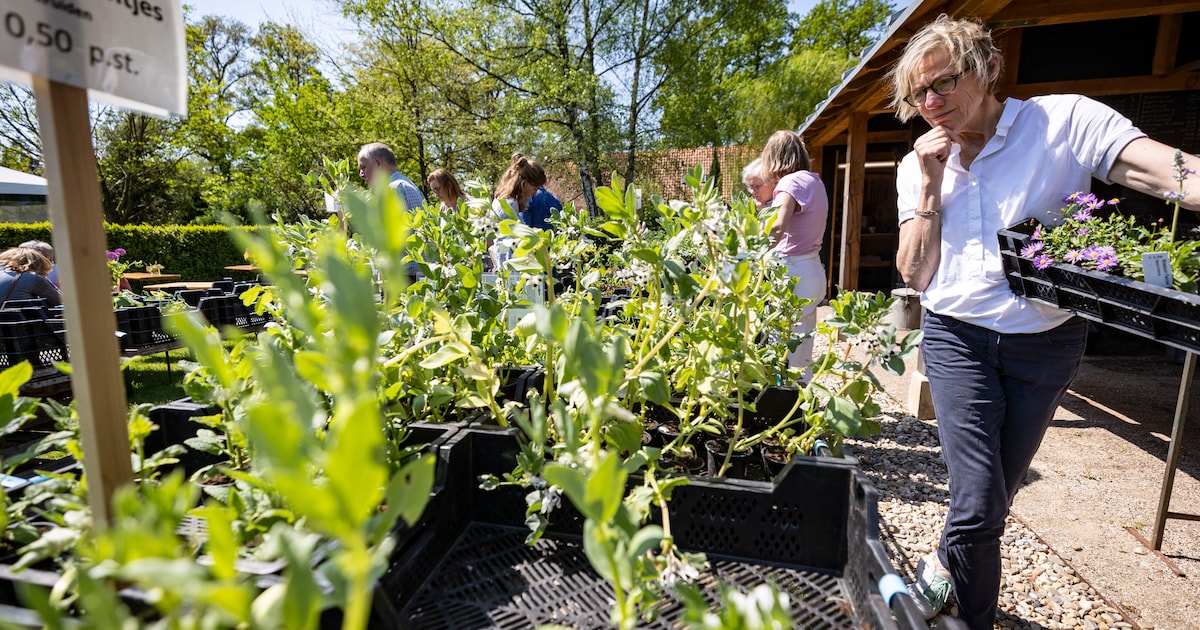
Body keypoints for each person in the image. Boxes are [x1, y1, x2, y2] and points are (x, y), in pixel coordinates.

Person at [889, 15, 1200, 629]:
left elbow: (1166, 171)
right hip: (957, 340)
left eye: (943, 83)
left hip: (1047, 344)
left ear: (985, 70)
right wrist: (929, 183)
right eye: (917, 94)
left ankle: (940, 569)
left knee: (993, 501)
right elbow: (915, 274)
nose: (930, 103)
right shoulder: (916, 164)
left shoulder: (1063, 123)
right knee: (977, 502)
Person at [760, 130, 828, 378]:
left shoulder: (789, 183)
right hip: (813, 271)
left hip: (792, 274)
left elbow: (776, 226)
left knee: (781, 346)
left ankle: (782, 404)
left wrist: (748, 253)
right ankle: (802, 403)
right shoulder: (814, 181)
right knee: (802, 348)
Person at [357, 142, 426, 211]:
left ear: (377, 164)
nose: (361, 174)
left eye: (364, 167)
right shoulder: (406, 185)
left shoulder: (394, 189)